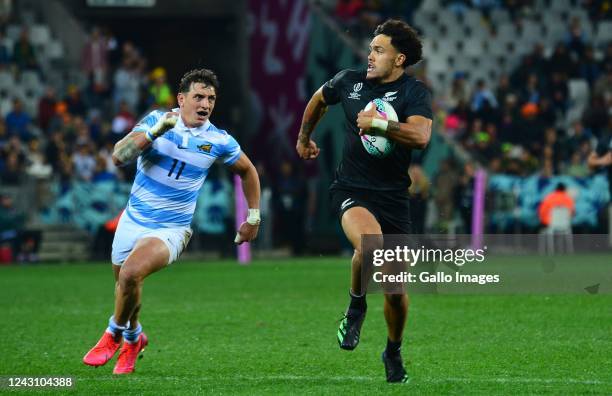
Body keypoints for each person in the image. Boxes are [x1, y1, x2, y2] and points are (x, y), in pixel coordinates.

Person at [82, 68, 261, 374]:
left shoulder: (218, 140)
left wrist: (253, 217)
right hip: (133, 220)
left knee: (130, 274)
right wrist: (153, 134)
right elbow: (118, 156)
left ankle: (112, 334)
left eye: (211, 99)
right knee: (126, 288)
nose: (205, 104)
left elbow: (248, 171)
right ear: (181, 98)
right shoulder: (156, 120)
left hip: (172, 229)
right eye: (198, 97)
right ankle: (134, 337)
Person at [296, 19, 432, 383]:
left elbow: (420, 136)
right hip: (352, 191)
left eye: (379, 50)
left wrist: (381, 125)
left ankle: (393, 351)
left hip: (394, 199)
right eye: (370, 49)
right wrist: (304, 137)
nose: (369, 55)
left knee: (396, 292)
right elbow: (318, 99)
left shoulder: (413, 93)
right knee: (370, 247)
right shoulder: (348, 81)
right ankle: (356, 306)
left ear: (399, 59)